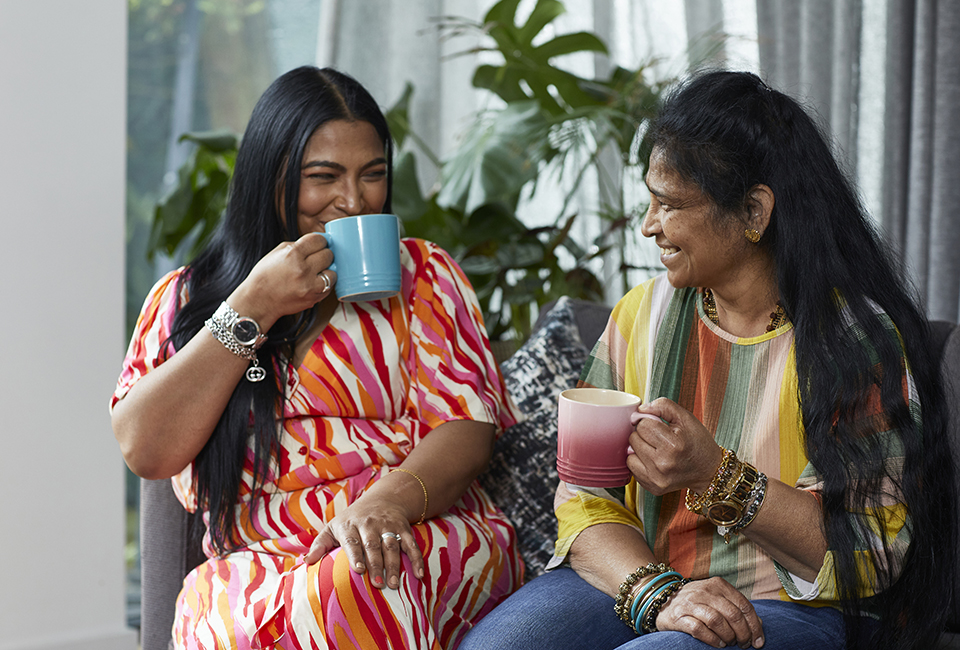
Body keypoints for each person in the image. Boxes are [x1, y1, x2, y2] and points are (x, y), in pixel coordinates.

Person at [460, 70, 957, 650]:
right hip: (647, 580)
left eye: (668, 205)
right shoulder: (639, 317)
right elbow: (583, 498)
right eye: (650, 201)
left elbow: (870, 549)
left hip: (798, 608)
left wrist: (715, 477)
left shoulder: (854, 341)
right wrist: (661, 594)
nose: (649, 226)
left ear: (752, 212)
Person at [111, 66, 522, 650]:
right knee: (224, 623)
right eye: (323, 176)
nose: (353, 201)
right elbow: (145, 448)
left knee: (353, 587)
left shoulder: (424, 276)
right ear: (268, 178)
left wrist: (381, 506)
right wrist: (254, 303)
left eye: (372, 175)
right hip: (256, 563)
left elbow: (466, 430)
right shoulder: (185, 298)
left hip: (411, 531)